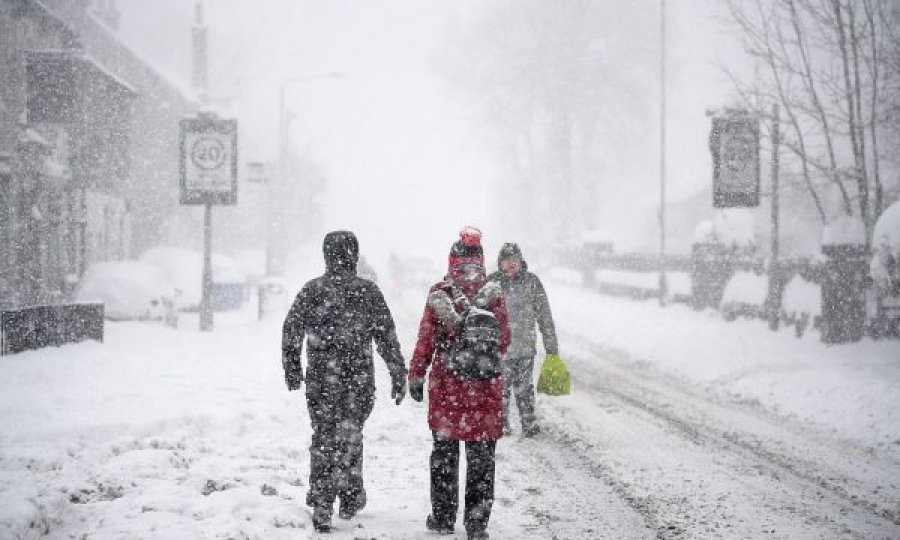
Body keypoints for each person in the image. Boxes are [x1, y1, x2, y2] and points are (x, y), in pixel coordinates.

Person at [281, 230, 408, 533]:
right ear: (354, 255)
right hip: (358, 379)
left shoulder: (312, 291)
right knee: (351, 434)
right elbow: (386, 336)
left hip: (321, 380)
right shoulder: (367, 292)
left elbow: (291, 330)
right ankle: (350, 495)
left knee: (324, 436)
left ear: (326, 255)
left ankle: (322, 502)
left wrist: (292, 367)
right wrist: (397, 372)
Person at [408, 227, 510, 540]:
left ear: (452, 260)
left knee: (444, 455)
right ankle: (477, 524)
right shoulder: (493, 292)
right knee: (482, 458)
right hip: (485, 390)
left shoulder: (441, 292)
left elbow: (426, 339)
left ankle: (442, 518)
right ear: (481, 259)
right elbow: (504, 340)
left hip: (448, 386)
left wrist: (416, 373)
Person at [488, 242, 559, 437]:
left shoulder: (531, 282)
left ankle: (528, 422)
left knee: (524, 389)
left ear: (520, 261)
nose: (510, 264)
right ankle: (501, 424)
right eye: (506, 260)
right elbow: (481, 314)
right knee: (500, 389)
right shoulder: (492, 283)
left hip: (525, 348)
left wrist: (551, 346)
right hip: (499, 348)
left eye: (514, 260)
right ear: (500, 263)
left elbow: (544, 315)